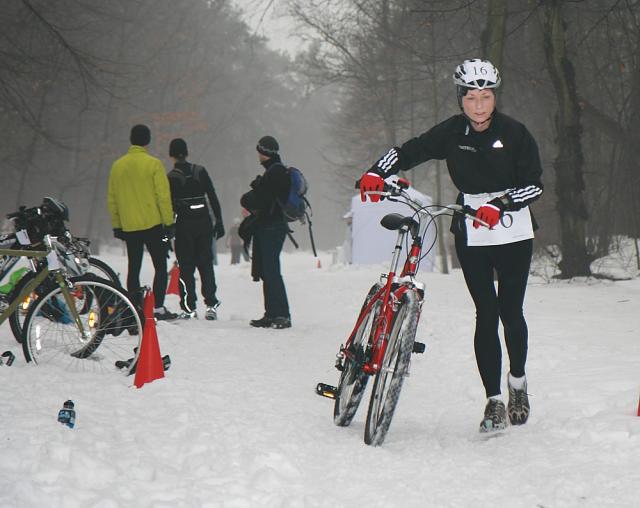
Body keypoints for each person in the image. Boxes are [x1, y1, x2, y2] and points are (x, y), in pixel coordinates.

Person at [359, 59, 543, 433]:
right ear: (461, 99)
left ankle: (517, 383)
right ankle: (494, 401)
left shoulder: (515, 132)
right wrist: (377, 171)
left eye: (486, 97)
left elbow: (534, 185)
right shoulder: (452, 131)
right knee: (486, 313)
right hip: (472, 229)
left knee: (510, 311)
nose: (479, 105)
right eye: (471, 98)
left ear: (495, 97)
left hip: (513, 230)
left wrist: (502, 203)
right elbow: (409, 151)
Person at [108, 124, 178, 320]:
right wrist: (168, 222)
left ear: (131, 139)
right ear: (148, 140)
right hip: (153, 224)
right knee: (160, 267)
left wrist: (117, 224)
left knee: (134, 267)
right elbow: (163, 197)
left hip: (129, 226)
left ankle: (133, 307)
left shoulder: (117, 166)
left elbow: (112, 198)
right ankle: (157, 308)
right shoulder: (154, 164)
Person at [167, 138, 224, 320]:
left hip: (184, 225)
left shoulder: (171, 177)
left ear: (171, 155)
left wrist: (168, 229)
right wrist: (219, 221)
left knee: (186, 267)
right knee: (206, 264)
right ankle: (211, 304)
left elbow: (168, 205)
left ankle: (189, 307)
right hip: (204, 223)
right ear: (187, 152)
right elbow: (212, 196)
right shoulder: (200, 171)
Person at [240, 135, 291, 329]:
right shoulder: (275, 171)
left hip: (272, 227)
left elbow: (263, 199)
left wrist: (249, 195)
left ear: (264, 152)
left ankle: (282, 315)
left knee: (271, 271)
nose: (258, 155)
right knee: (267, 271)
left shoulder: (275, 172)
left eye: (259, 151)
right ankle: (271, 313)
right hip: (270, 226)